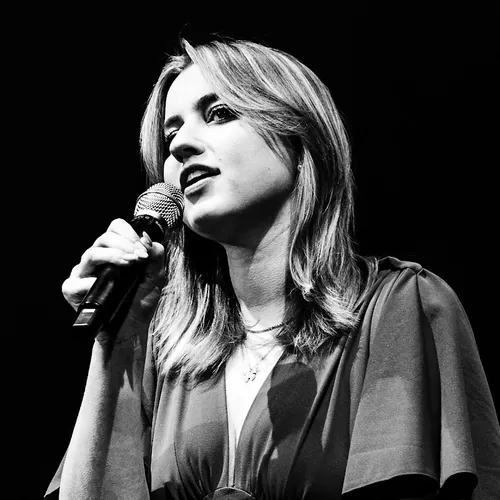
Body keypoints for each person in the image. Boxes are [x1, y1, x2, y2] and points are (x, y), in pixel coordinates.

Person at [46, 37, 499, 499]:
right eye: (170, 135)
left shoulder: (402, 308)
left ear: (299, 139)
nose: (180, 144)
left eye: (219, 113)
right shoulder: (163, 353)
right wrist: (115, 346)